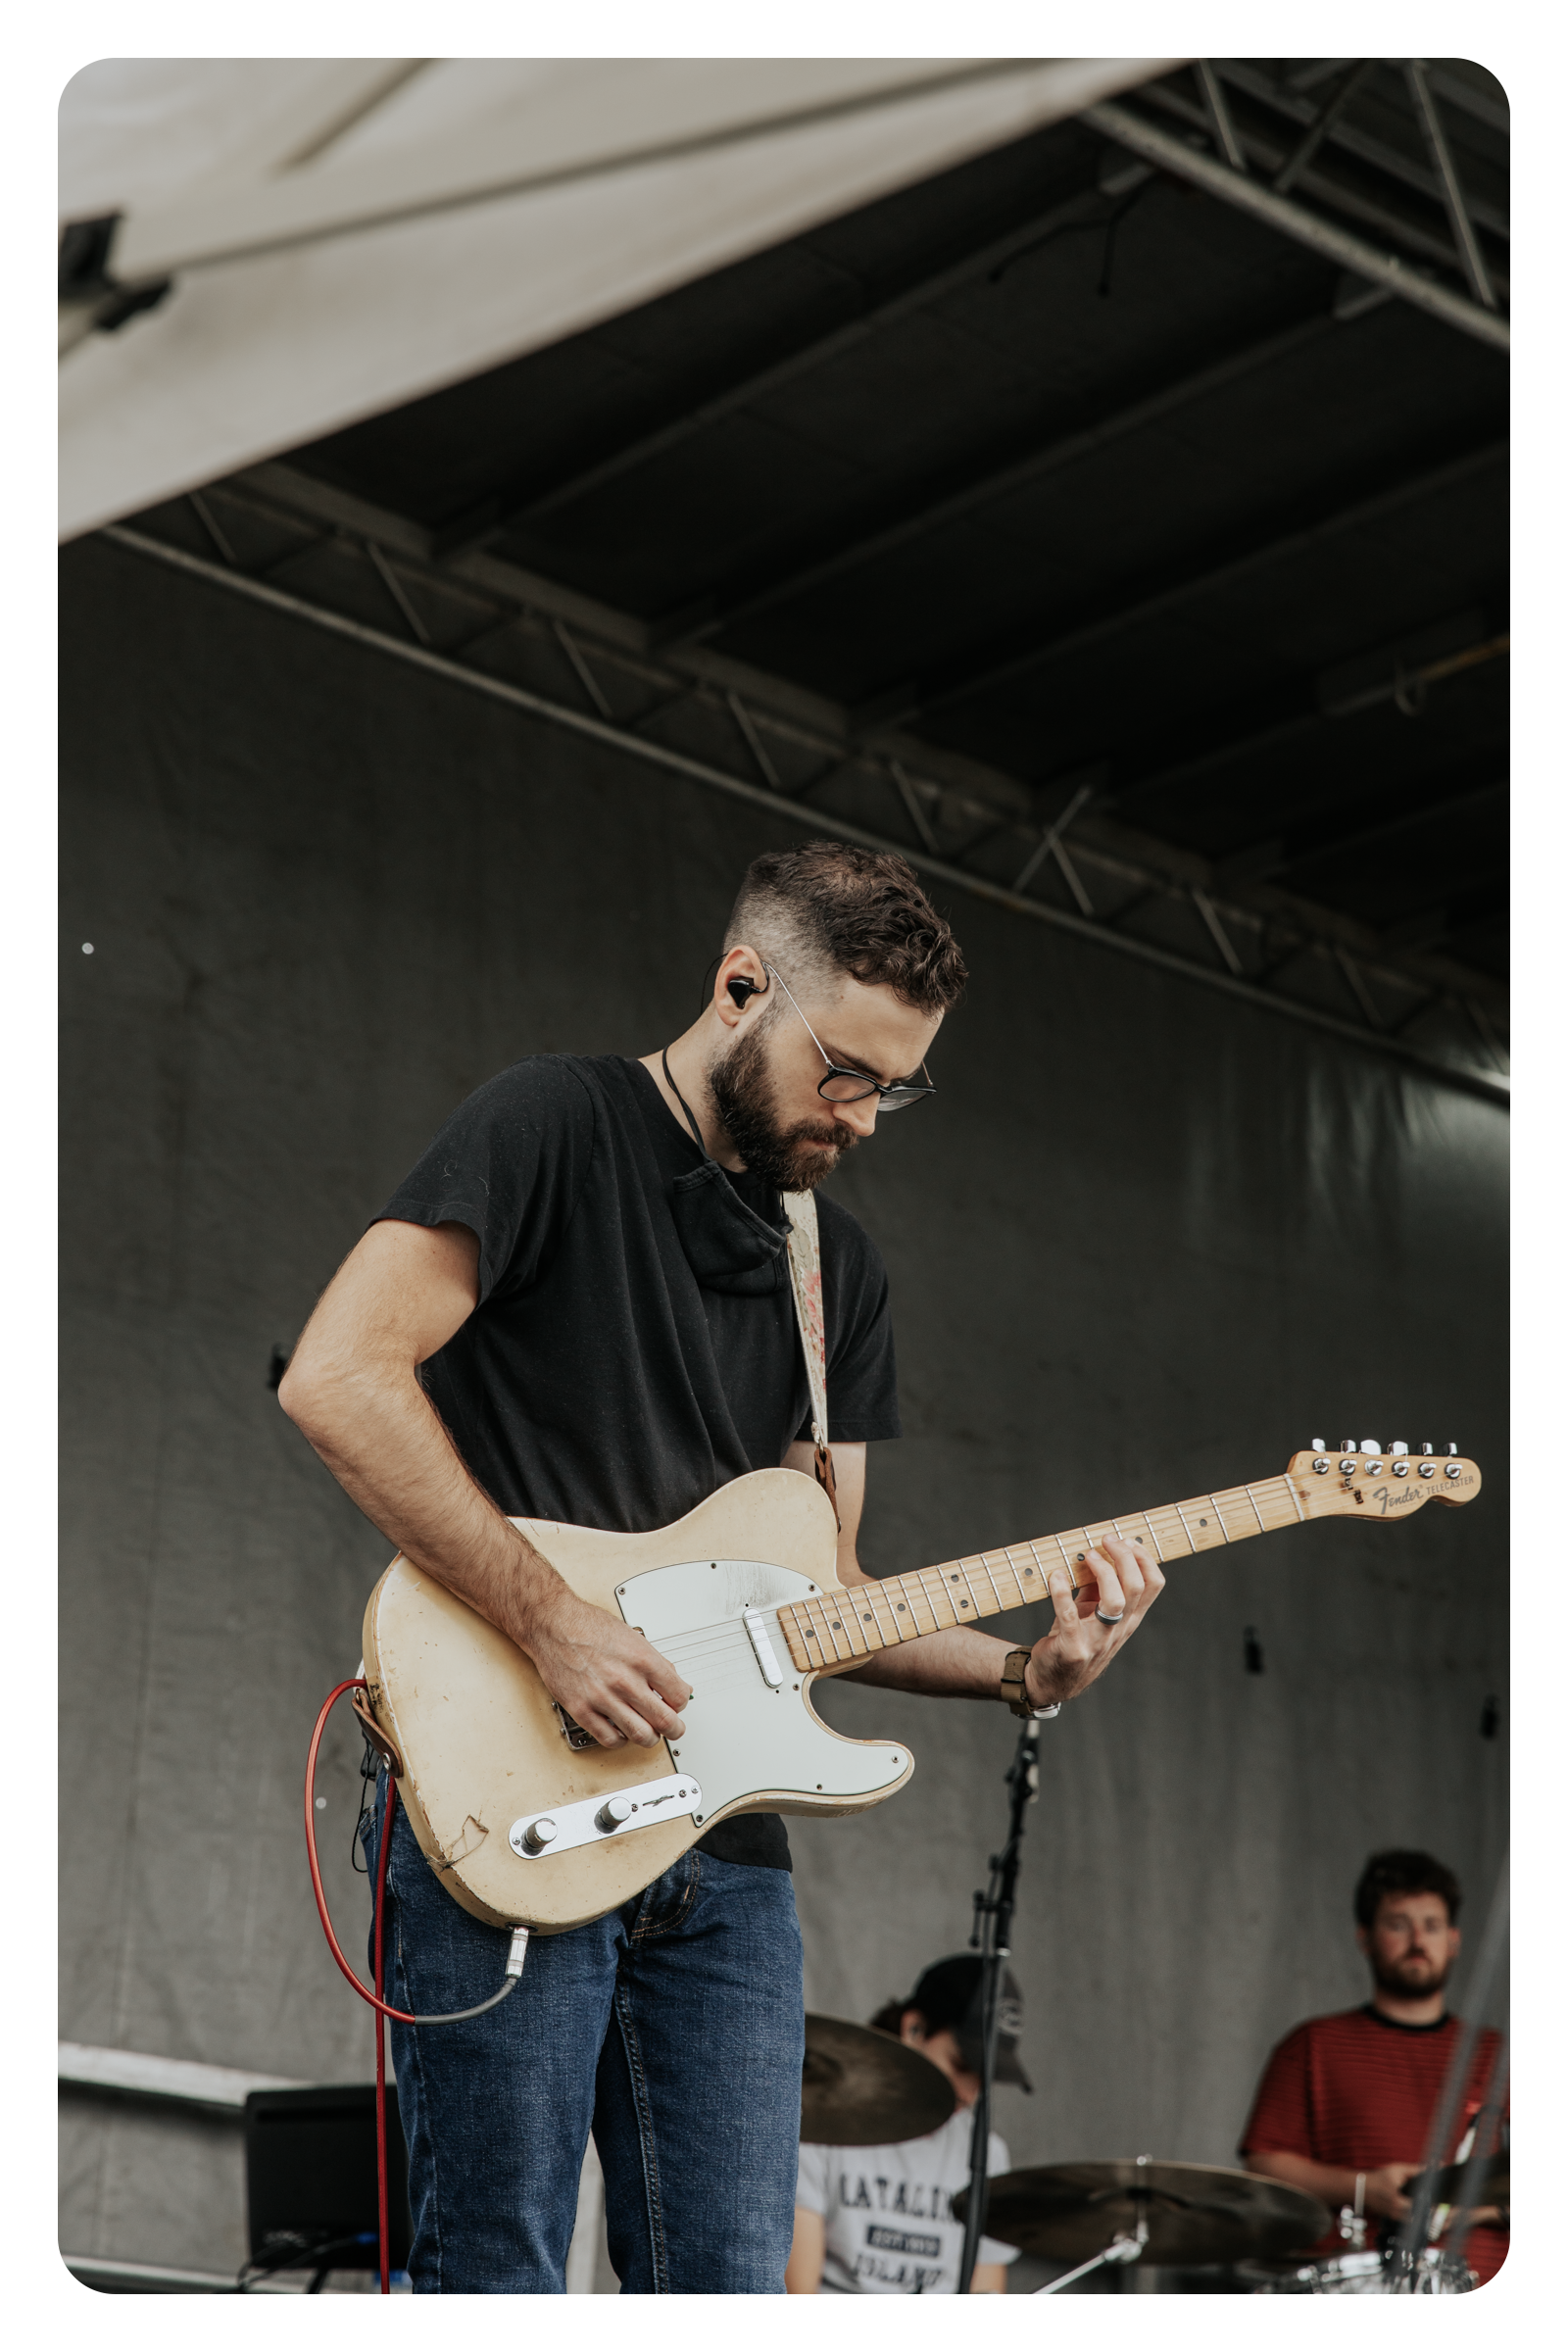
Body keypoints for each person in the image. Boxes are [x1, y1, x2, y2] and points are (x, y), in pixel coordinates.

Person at [279, 840, 1164, 2294]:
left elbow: (826, 1605)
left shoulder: (843, 1275)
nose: (866, 1118)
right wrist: (552, 1620)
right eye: (846, 1073)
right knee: (493, 2271)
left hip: (724, 1861)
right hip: (513, 1798)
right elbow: (339, 1378)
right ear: (740, 984)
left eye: (897, 1086)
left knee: (734, 2290)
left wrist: (1023, 1669)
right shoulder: (550, 1123)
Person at [1240, 1848, 1507, 2285]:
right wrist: (1365, 2189)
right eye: (1398, 1924)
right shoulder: (1313, 2045)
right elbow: (1264, 2166)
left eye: (1432, 1925)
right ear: (1364, 1938)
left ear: (1454, 1940)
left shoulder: (1503, 2057)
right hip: (1356, 2287)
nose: (1418, 1940)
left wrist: (1464, 2204)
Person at [788, 1954, 1027, 2294]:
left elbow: (984, 2295)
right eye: (960, 2065)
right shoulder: (818, 2132)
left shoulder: (987, 2153)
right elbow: (797, 2297)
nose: (969, 2094)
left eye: (983, 2079)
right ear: (914, 2029)